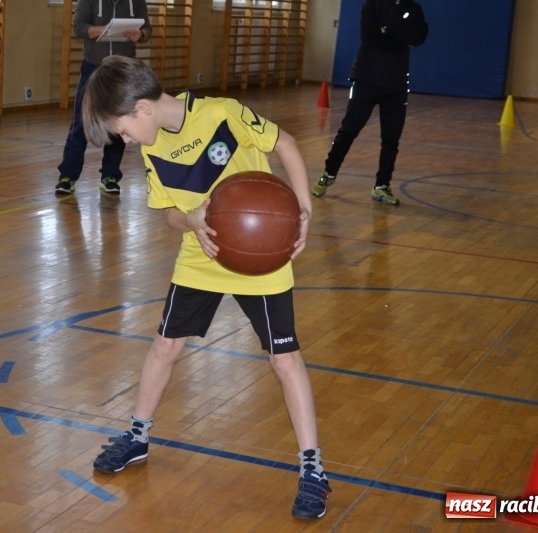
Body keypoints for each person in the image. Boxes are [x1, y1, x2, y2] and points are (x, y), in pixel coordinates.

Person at [81, 55, 331, 520]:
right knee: (164, 346)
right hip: (202, 254)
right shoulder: (152, 146)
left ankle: (312, 468)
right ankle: (137, 436)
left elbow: (288, 145)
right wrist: (193, 221)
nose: (124, 140)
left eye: (121, 130)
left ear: (141, 109)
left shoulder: (222, 114)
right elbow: (171, 214)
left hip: (261, 258)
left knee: (284, 359)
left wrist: (303, 211)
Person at [312, 0, 428, 205]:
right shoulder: (373, 4)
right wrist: (399, 34)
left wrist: (389, 30)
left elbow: (419, 37)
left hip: (397, 85)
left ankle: (382, 186)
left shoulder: (413, 8)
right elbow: (370, 36)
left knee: (391, 139)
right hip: (366, 79)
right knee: (348, 130)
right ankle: (328, 173)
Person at [54, 0, 152, 195]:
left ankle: (110, 176)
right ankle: (67, 176)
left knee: (119, 123)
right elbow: (79, 27)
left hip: (122, 70)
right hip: (93, 68)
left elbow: (147, 29)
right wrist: (104, 30)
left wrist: (140, 35)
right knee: (81, 123)